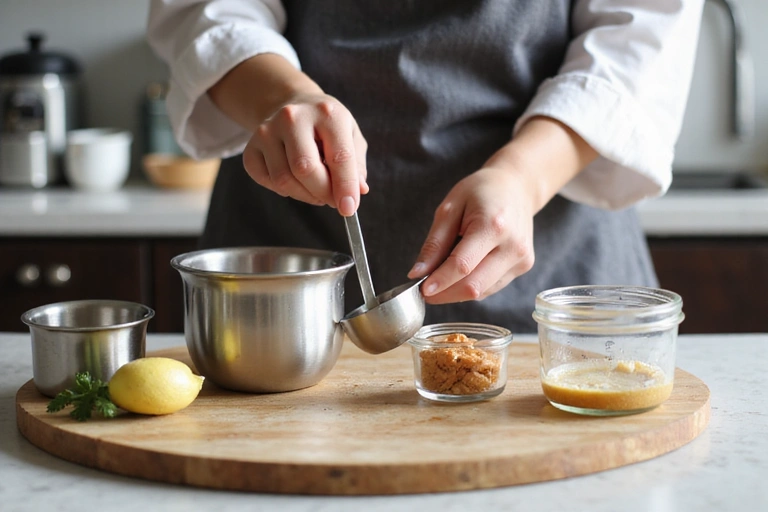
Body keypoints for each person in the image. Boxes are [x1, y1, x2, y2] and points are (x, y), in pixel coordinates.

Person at [146, 0, 704, 333]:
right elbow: (208, 11)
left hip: (555, 262)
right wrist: (281, 98)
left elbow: (640, 35)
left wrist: (522, 176)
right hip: (282, 268)